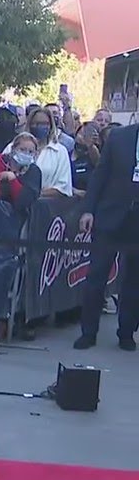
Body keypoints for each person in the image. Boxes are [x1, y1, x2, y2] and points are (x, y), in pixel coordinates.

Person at [74, 123, 139, 351]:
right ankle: (88, 332)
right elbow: (100, 175)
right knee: (96, 276)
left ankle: (126, 332)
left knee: (134, 281)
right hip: (111, 215)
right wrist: (88, 210)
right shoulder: (120, 137)